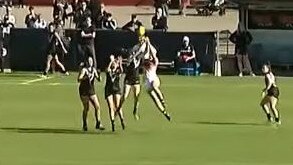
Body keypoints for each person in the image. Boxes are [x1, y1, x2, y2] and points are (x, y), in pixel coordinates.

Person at [143, 47, 171, 121]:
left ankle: (162, 100)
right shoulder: (145, 61)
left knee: (154, 86)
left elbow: (152, 54)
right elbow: (145, 53)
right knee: (155, 100)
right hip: (147, 83)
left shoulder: (155, 61)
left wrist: (148, 43)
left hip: (154, 79)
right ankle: (164, 113)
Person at [78, 56, 105, 131]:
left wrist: (99, 75)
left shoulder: (93, 70)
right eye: (89, 61)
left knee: (97, 106)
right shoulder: (84, 70)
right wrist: (85, 77)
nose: (91, 62)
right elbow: (79, 79)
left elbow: (99, 79)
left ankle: (98, 123)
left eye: (91, 61)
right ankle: (84, 124)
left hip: (91, 90)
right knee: (86, 108)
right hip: (84, 91)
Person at [105, 55, 125, 132]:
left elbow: (122, 71)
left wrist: (119, 63)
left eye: (115, 63)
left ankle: (122, 120)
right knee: (110, 107)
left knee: (117, 106)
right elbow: (107, 69)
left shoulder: (118, 71)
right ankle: (113, 123)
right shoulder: (109, 70)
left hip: (116, 89)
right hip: (108, 90)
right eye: (113, 63)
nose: (114, 64)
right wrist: (111, 61)